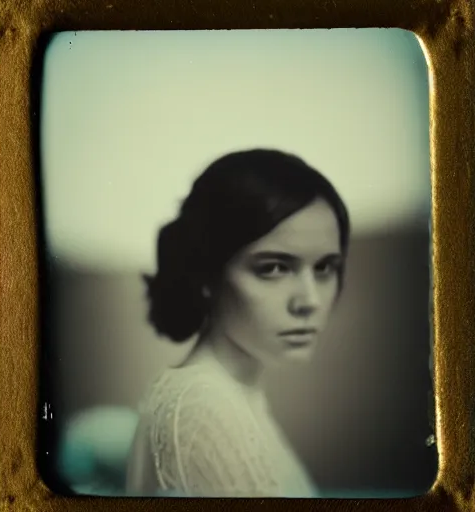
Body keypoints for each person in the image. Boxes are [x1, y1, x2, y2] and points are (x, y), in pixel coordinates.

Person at [125, 148, 350, 498]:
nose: (310, 300)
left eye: (324, 267)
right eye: (273, 267)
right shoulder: (202, 408)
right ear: (205, 274)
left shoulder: (234, 395)